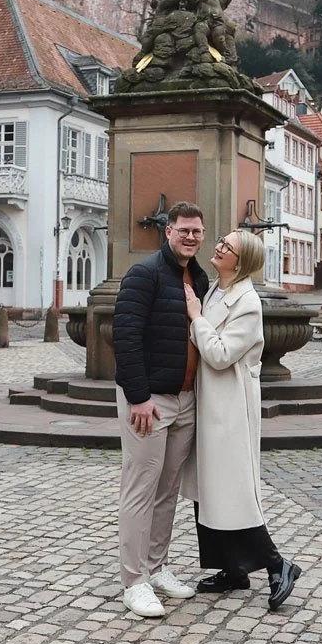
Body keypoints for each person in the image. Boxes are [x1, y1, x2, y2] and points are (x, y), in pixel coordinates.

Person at [182, 230, 303, 611]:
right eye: (220, 241)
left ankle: (277, 564)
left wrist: (197, 318)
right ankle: (232, 569)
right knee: (207, 487)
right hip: (209, 401)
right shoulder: (217, 289)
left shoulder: (247, 303)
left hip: (229, 406)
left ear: (242, 260)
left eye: (227, 247)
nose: (218, 247)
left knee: (232, 489)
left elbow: (218, 355)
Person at [111, 201, 209, 618]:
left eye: (197, 231)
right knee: (140, 491)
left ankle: (156, 567)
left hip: (185, 400)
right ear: (168, 232)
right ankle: (133, 582)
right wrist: (138, 397)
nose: (190, 237)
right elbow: (125, 335)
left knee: (167, 492)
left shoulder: (199, 278)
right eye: (183, 230)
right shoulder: (144, 273)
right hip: (150, 402)